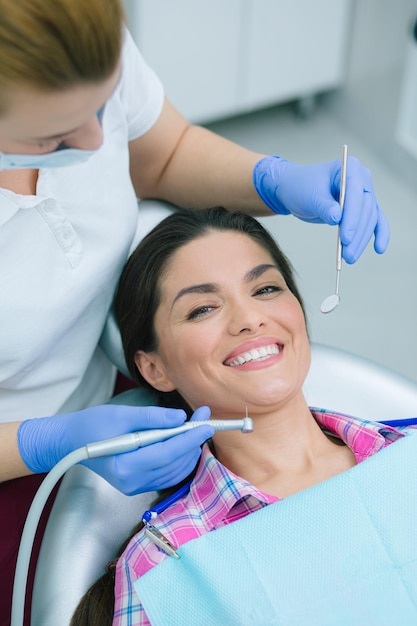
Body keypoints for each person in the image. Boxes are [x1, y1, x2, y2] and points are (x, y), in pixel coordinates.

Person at [0, 0, 390, 622]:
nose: (102, 141)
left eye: (265, 288)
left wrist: (273, 180)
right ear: (152, 365)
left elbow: (162, 153)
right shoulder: (162, 573)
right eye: (55, 136)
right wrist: (51, 442)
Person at [69, 207, 413, 626]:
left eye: (266, 289)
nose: (250, 319)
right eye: (202, 309)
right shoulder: (165, 565)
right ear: (154, 368)